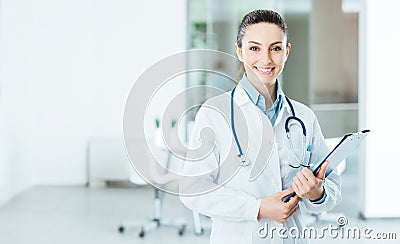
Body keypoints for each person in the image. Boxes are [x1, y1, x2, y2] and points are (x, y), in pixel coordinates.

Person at [180, 9, 341, 244]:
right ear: (239, 51)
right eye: (254, 48)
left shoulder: (303, 117)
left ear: (286, 52)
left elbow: (332, 184)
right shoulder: (214, 113)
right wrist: (256, 208)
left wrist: (318, 194)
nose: (266, 59)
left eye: (275, 48)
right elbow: (192, 189)